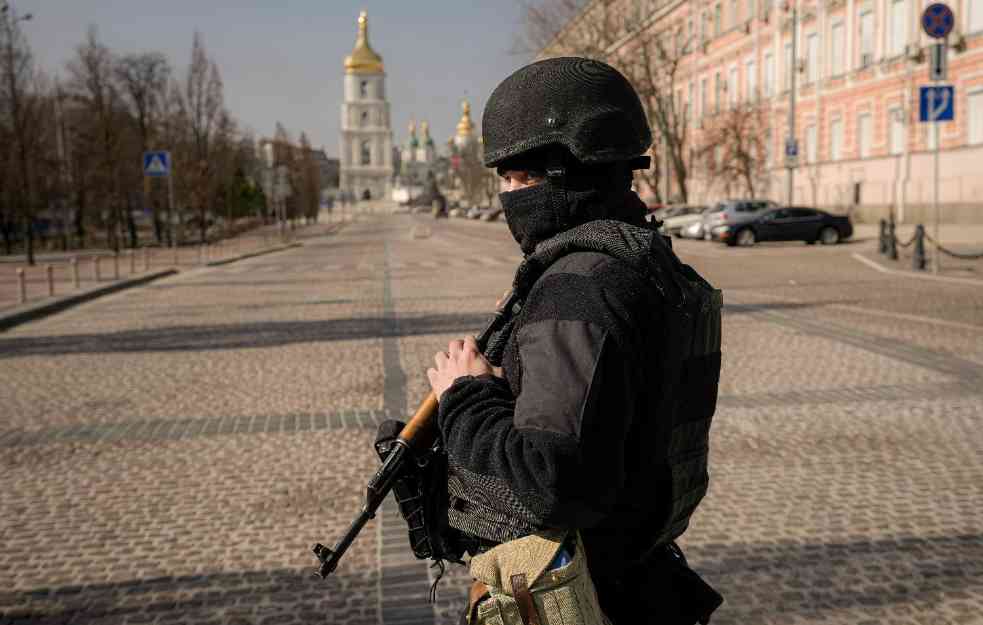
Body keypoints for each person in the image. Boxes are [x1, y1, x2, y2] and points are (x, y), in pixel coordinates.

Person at [420, 57, 723, 625]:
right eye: (506, 179)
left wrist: (464, 394)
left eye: (523, 178)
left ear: (573, 172)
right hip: (642, 575)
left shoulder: (578, 288)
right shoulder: (645, 260)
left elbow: (551, 479)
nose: (511, 195)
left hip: (581, 596)